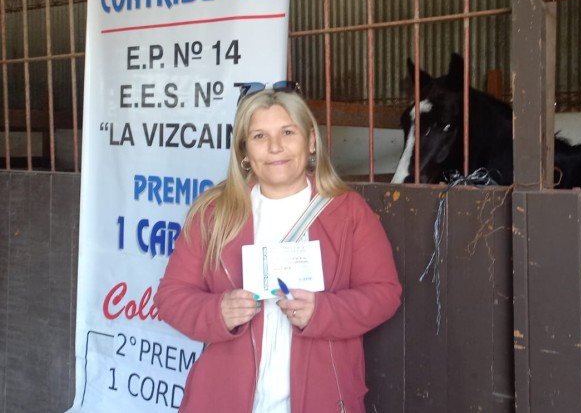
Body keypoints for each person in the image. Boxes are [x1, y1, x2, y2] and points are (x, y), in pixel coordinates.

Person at [156, 85, 402, 413]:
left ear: (311, 141)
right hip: (222, 399)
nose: (275, 147)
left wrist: (323, 311)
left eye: (288, 132)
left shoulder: (348, 212)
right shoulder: (213, 214)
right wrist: (218, 312)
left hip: (323, 399)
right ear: (244, 151)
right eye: (259, 136)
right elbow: (170, 298)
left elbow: (384, 294)